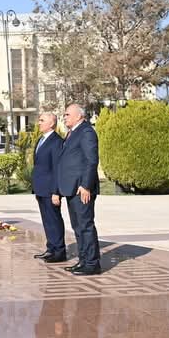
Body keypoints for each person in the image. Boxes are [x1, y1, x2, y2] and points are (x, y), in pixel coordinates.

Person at [56, 104, 101, 275]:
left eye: (67, 114)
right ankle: (83, 260)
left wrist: (86, 185)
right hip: (72, 188)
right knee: (77, 226)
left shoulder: (86, 132)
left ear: (78, 116)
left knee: (85, 225)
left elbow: (91, 161)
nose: (64, 117)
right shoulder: (72, 133)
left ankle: (92, 263)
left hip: (82, 189)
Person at [31, 111, 67, 263]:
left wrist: (56, 191)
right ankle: (51, 248)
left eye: (42, 120)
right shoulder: (42, 139)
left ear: (51, 123)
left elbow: (58, 168)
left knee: (54, 219)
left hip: (50, 189)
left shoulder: (56, 141)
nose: (38, 122)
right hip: (41, 188)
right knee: (47, 220)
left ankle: (59, 251)